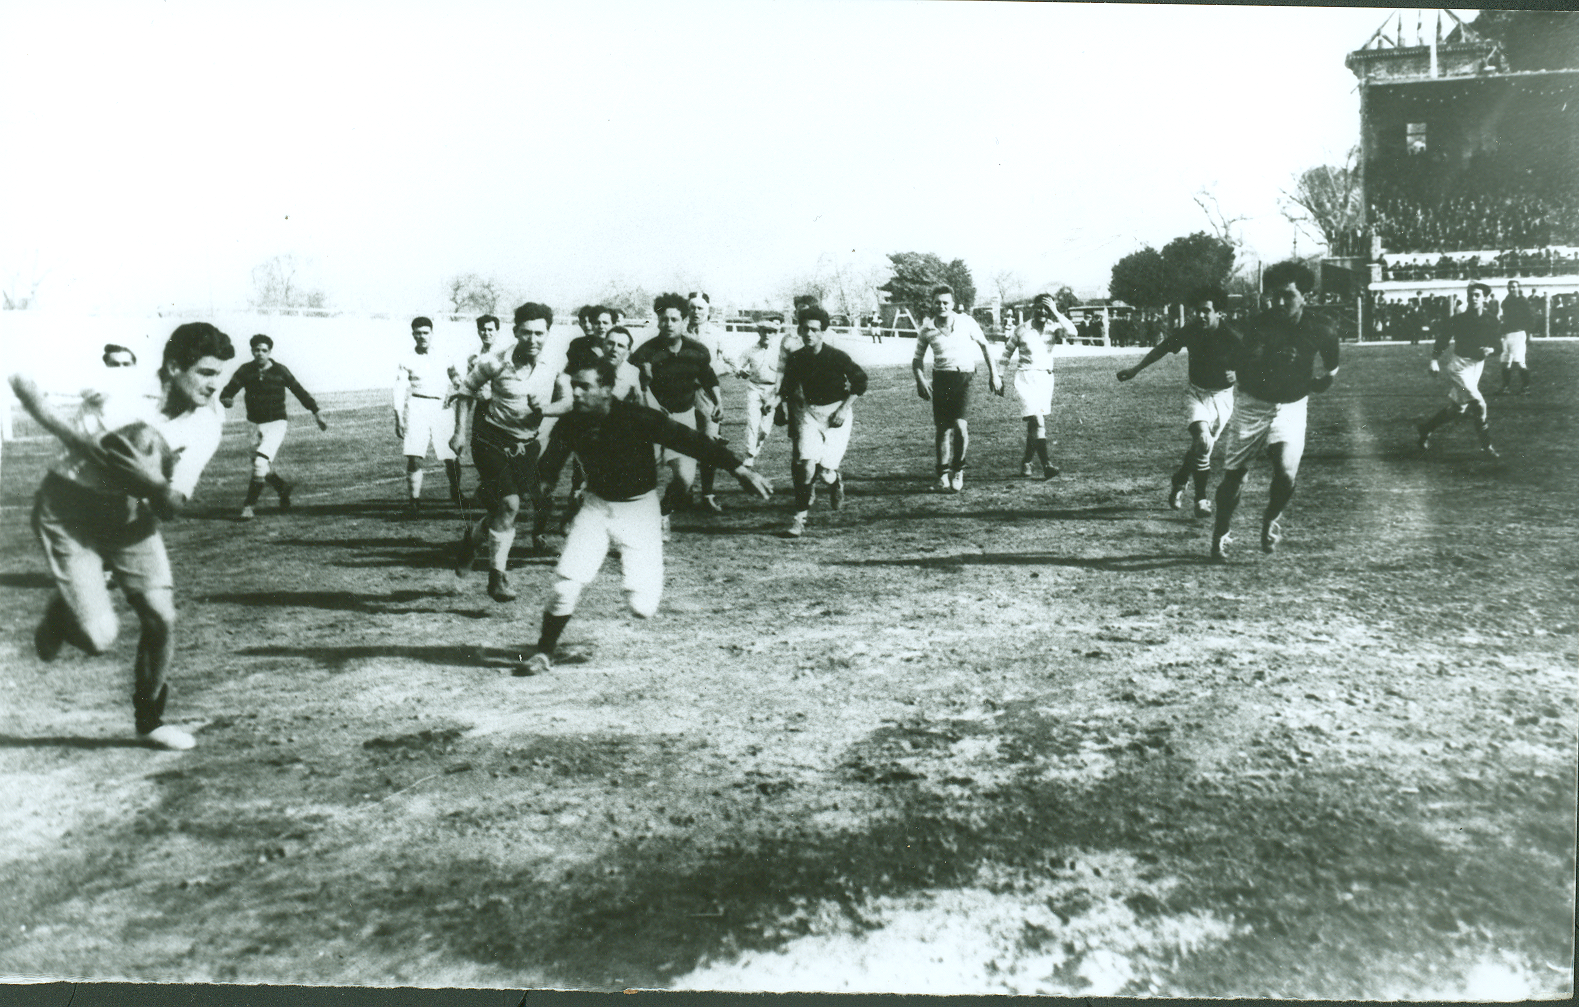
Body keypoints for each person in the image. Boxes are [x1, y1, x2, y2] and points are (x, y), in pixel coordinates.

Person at [12, 323, 236, 750]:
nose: (214, 384)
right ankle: (64, 614)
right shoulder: (121, 385)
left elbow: (172, 505)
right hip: (68, 506)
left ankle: (149, 720)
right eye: (206, 372)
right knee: (99, 639)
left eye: (219, 374)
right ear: (173, 367)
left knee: (162, 617)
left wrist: (152, 484)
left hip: (129, 514)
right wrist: (83, 443)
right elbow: (25, 382)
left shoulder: (207, 422)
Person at [524, 359, 773, 674]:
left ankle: (630, 563)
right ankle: (543, 653)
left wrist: (738, 469)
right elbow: (550, 464)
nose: (576, 392)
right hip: (597, 507)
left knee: (642, 608)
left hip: (640, 511)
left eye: (584, 386)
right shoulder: (571, 422)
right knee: (565, 584)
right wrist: (538, 485)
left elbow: (693, 441)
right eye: (574, 385)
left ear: (606, 389)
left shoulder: (637, 417)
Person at [1209, 261, 1339, 562]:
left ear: (1305, 294)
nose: (1279, 302)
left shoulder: (1322, 328)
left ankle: (1270, 516)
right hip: (1253, 404)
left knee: (1285, 473)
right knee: (1235, 478)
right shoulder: (1260, 324)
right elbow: (1245, 364)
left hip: (1292, 406)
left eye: (1288, 295)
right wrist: (1272, 360)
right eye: (1275, 295)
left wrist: (1321, 382)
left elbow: (1331, 366)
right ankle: (1221, 531)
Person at [450, 302, 560, 601]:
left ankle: (472, 541)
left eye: (539, 333)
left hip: (527, 445)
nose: (533, 340)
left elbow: (567, 401)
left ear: (548, 333)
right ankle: (497, 579)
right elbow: (466, 390)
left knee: (502, 511)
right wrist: (459, 431)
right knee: (510, 504)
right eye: (526, 333)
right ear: (515, 332)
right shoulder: (494, 361)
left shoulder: (554, 365)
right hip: (491, 439)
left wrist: (548, 409)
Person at [1116, 284, 1242, 516]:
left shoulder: (1232, 337)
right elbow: (1161, 349)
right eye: (1198, 311)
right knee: (1203, 442)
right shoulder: (1190, 330)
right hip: (1196, 394)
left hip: (1223, 398)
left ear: (1219, 312)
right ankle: (1201, 500)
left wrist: (1239, 374)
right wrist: (1135, 369)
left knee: (1200, 448)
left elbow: (1256, 365)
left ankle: (1180, 479)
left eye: (1207, 310)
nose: (1201, 315)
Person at [629, 292, 723, 537]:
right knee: (640, 479)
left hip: (683, 419)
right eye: (664, 319)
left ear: (683, 321)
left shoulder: (697, 350)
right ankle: (635, 526)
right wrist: (647, 395)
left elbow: (708, 376)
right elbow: (633, 383)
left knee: (685, 480)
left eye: (674, 319)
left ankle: (663, 513)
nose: (668, 324)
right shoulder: (645, 352)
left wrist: (718, 401)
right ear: (658, 321)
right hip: (649, 421)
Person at [770, 306, 868, 538]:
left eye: (814, 329)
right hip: (809, 413)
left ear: (823, 332)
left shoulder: (837, 356)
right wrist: (774, 405)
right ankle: (799, 519)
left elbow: (861, 382)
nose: (809, 334)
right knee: (805, 466)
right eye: (805, 329)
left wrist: (844, 409)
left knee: (825, 474)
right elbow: (786, 388)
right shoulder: (797, 358)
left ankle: (834, 482)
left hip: (836, 413)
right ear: (799, 330)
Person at [218, 333, 328, 520]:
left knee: (260, 464)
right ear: (252, 351)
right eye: (256, 350)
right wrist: (226, 399)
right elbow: (227, 392)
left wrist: (316, 412)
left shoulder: (280, 371)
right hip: (253, 424)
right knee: (260, 466)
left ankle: (248, 506)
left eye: (264, 350)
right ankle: (282, 487)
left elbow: (299, 391)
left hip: (276, 423)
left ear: (269, 352)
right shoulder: (245, 371)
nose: (260, 353)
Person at [912, 284, 1001, 492]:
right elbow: (916, 360)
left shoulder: (966, 322)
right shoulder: (926, 329)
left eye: (945, 302)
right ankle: (942, 475)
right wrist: (921, 380)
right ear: (932, 304)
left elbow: (985, 346)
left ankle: (958, 470)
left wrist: (994, 374)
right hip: (941, 379)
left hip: (964, 377)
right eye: (938, 302)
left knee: (961, 426)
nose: (942, 306)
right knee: (943, 429)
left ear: (952, 304)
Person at [1416, 282, 1502, 458]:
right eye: (1470, 294)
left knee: (1456, 410)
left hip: (1476, 368)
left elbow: (1498, 346)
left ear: (1485, 298)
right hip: (1459, 368)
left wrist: (1491, 350)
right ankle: (1487, 447)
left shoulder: (1492, 320)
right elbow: (1443, 339)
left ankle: (1425, 428)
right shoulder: (1458, 319)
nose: (1473, 297)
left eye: (1477, 294)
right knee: (1479, 404)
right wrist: (1433, 360)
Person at [997, 292, 1077, 479]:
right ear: (1033, 308)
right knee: (1038, 421)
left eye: (1046, 308)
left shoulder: (1054, 328)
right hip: (1025, 377)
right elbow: (1006, 354)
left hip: (1045, 378)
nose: (1042, 311)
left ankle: (1026, 462)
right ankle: (1046, 465)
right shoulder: (1021, 329)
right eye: (1039, 307)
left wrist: (1056, 312)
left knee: (1034, 425)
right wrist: (999, 375)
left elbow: (1073, 332)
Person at [394, 316, 462, 514]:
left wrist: (458, 389)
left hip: (442, 407)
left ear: (432, 334)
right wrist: (398, 418)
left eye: (425, 333)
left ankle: (456, 491)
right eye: (418, 333)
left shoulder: (444, 355)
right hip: (417, 406)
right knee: (414, 455)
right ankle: (414, 500)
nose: (422, 336)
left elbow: (455, 376)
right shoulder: (406, 359)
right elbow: (399, 389)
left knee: (451, 455)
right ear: (413, 334)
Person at [448, 314, 500, 508]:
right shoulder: (473, 356)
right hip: (482, 408)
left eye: (490, 330)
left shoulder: (504, 353)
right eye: (483, 330)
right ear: (478, 331)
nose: (487, 333)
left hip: (500, 407)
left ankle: (495, 489)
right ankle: (488, 486)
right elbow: (470, 387)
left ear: (497, 331)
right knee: (479, 449)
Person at [686, 291, 729, 513]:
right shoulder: (678, 330)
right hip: (679, 392)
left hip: (706, 393)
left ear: (708, 311)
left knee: (709, 443)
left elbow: (726, 364)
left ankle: (707, 495)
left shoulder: (717, 334)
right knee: (681, 442)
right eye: (692, 307)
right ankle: (684, 493)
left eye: (700, 308)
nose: (696, 312)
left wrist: (708, 374)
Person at [733, 322, 784, 467]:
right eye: (764, 331)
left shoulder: (779, 351)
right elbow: (738, 364)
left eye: (771, 331)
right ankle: (749, 455)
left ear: (775, 334)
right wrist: (740, 371)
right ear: (759, 332)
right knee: (752, 422)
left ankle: (755, 449)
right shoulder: (751, 350)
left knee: (764, 429)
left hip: (772, 391)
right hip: (754, 388)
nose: (767, 334)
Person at [1497, 280, 1536, 395]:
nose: (1512, 289)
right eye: (1510, 287)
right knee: (1505, 361)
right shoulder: (1506, 301)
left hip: (1518, 334)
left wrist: (1528, 334)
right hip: (1507, 334)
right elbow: (1505, 317)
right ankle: (1505, 388)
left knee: (1519, 361)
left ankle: (1526, 387)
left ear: (1519, 288)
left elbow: (1530, 318)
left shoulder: (1523, 301)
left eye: (1514, 287)